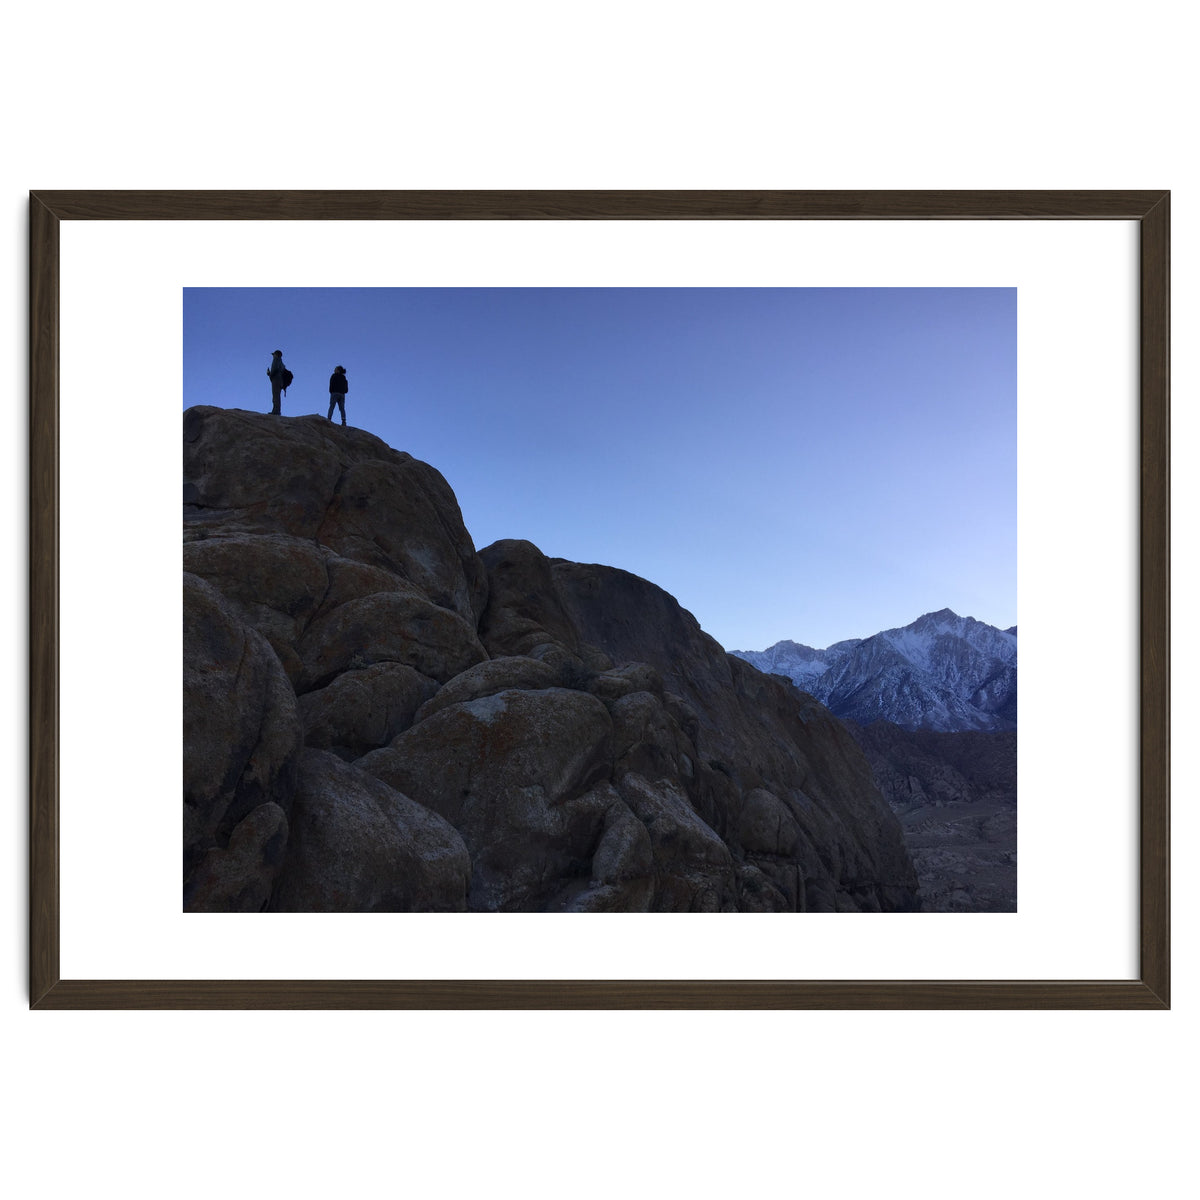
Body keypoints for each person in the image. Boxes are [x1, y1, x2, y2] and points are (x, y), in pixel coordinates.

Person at [267, 350, 289, 414]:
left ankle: (276, 411)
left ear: (276, 354)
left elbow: (274, 369)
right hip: (280, 381)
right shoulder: (282, 363)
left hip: (276, 380)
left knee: (275, 396)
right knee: (277, 396)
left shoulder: (276, 360)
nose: (273, 356)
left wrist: (270, 374)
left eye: (274, 354)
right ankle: (276, 410)